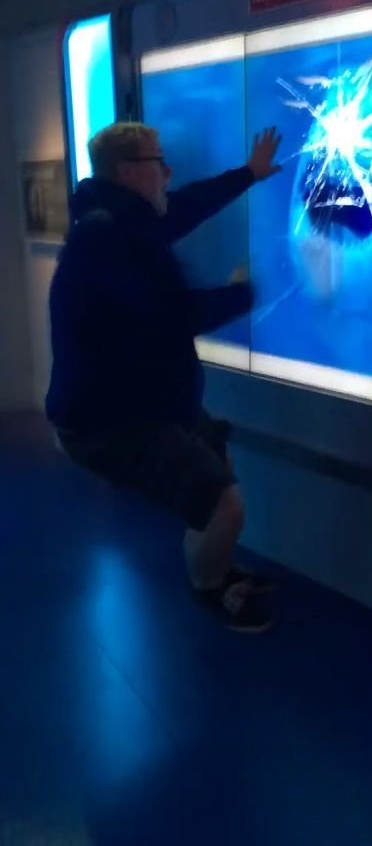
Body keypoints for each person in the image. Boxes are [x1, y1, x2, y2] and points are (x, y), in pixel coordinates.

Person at [46, 121, 281, 633]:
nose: (168, 173)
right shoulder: (106, 240)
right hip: (107, 421)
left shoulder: (121, 220)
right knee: (225, 502)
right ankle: (211, 589)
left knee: (216, 458)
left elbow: (189, 205)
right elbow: (172, 315)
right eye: (160, 163)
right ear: (130, 172)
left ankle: (213, 563)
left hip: (141, 399)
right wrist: (247, 291)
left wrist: (249, 173)